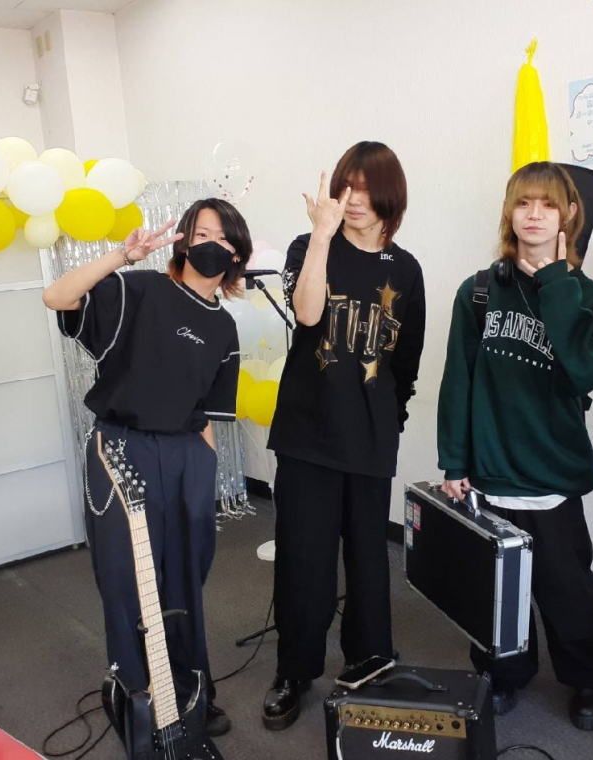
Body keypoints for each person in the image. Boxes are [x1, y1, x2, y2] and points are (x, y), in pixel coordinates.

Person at [43, 198, 251, 739]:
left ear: (237, 255)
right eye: (202, 233)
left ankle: (191, 689)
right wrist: (122, 256)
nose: (212, 245)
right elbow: (56, 297)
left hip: (187, 456)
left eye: (224, 238)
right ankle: (138, 696)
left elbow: (209, 415)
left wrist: (204, 476)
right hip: (121, 448)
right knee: (127, 579)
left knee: (184, 577)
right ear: (182, 241)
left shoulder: (224, 328)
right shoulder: (138, 291)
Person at [437, 161, 593, 729]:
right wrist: (454, 461)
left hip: (553, 479)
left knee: (569, 592)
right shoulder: (478, 292)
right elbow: (458, 381)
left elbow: (586, 370)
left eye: (548, 204)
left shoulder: (592, 302)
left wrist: (557, 284)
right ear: (509, 213)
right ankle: (503, 673)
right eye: (524, 203)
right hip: (490, 475)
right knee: (496, 592)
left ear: (570, 214)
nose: (535, 214)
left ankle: (589, 679)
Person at [263, 141, 426, 730]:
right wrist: (322, 237)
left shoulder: (406, 269)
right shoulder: (309, 246)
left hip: (370, 438)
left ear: (390, 197)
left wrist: (390, 421)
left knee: (368, 559)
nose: (353, 199)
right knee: (303, 560)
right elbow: (307, 314)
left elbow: (407, 358)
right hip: (307, 433)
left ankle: (369, 658)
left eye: (366, 189)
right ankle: (294, 670)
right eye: (345, 187)